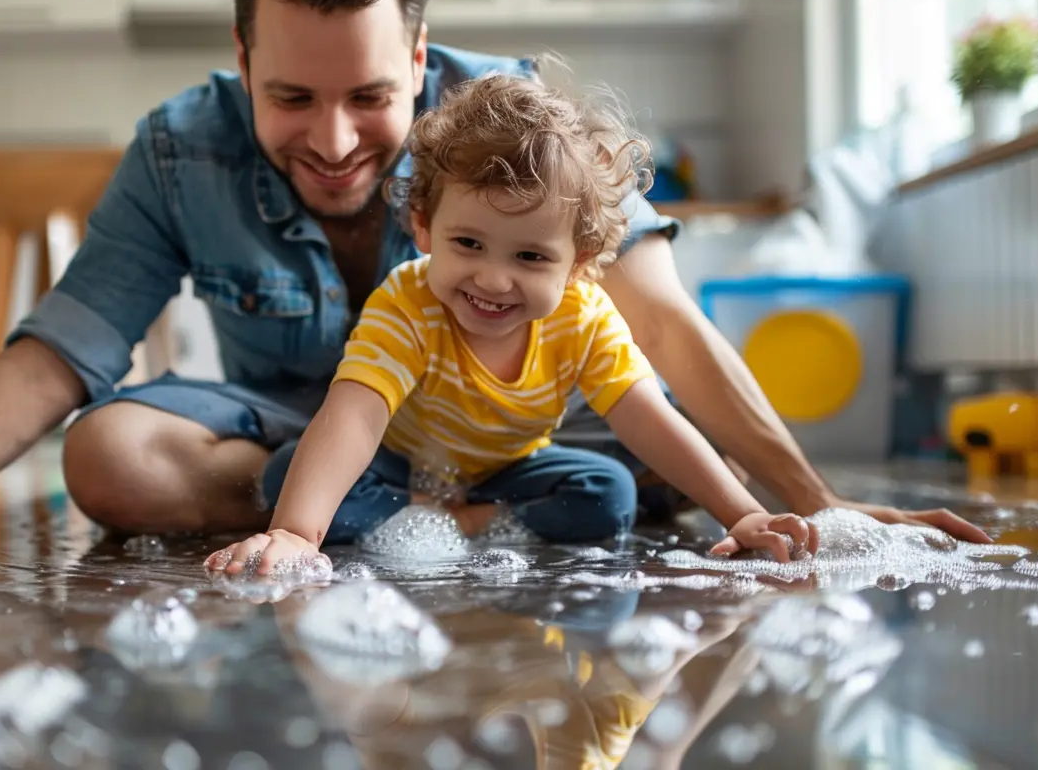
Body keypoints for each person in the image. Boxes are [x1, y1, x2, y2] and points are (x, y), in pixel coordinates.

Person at [0, 0, 989, 583]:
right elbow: (53, 358)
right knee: (105, 456)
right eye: (290, 96)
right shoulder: (180, 150)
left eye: (369, 96)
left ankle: (447, 511)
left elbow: (665, 340)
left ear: (422, 58)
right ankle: (357, 513)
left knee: (636, 450)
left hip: (516, 427)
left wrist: (822, 508)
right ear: (241, 61)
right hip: (306, 435)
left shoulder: (518, 130)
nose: (336, 141)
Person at [207, 73, 820, 575]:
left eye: (530, 257)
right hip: (404, 464)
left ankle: (458, 520)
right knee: (290, 474)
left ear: (578, 262)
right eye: (468, 243)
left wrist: (742, 513)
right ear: (423, 227)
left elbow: (648, 417)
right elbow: (356, 413)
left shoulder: (584, 316)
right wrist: (294, 533)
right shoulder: (408, 301)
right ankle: (445, 516)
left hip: (512, 468)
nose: (494, 280)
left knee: (609, 494)